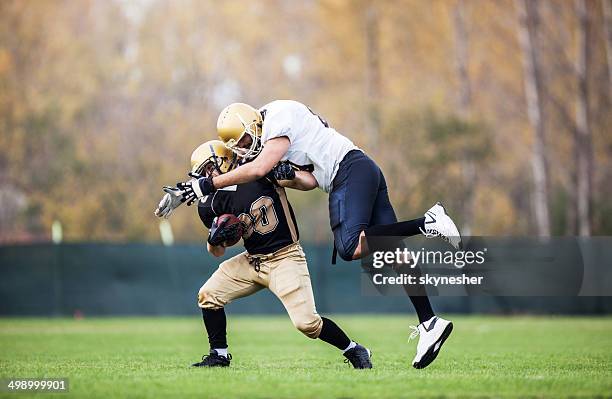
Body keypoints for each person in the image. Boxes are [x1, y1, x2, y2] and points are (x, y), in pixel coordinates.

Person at [167, 101, 461, 369]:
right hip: (357, 170)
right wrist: (288, 176)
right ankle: (429, 322)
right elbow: (304, 178)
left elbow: (259, 169)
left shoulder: (274, 124)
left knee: (349, 247)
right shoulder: (261, 148)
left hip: (344, 174)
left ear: (254, 125)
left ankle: (427, 222)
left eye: (244, 140)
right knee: (394, 251)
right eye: (238, 145)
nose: (244, 147)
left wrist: (208, 184)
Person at [157, 140, 373, 369]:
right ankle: (219, 355)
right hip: (252, 260)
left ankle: (354, 349)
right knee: (208, 295)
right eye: (203, 173)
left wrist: (291, 174)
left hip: (285, 257)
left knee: (307, 323)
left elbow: (309, 182)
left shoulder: (258, 169)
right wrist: (214, 239)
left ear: (226, 159)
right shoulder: (209, 203)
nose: (208, 176)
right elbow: (217, 252)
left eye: (210, 168)